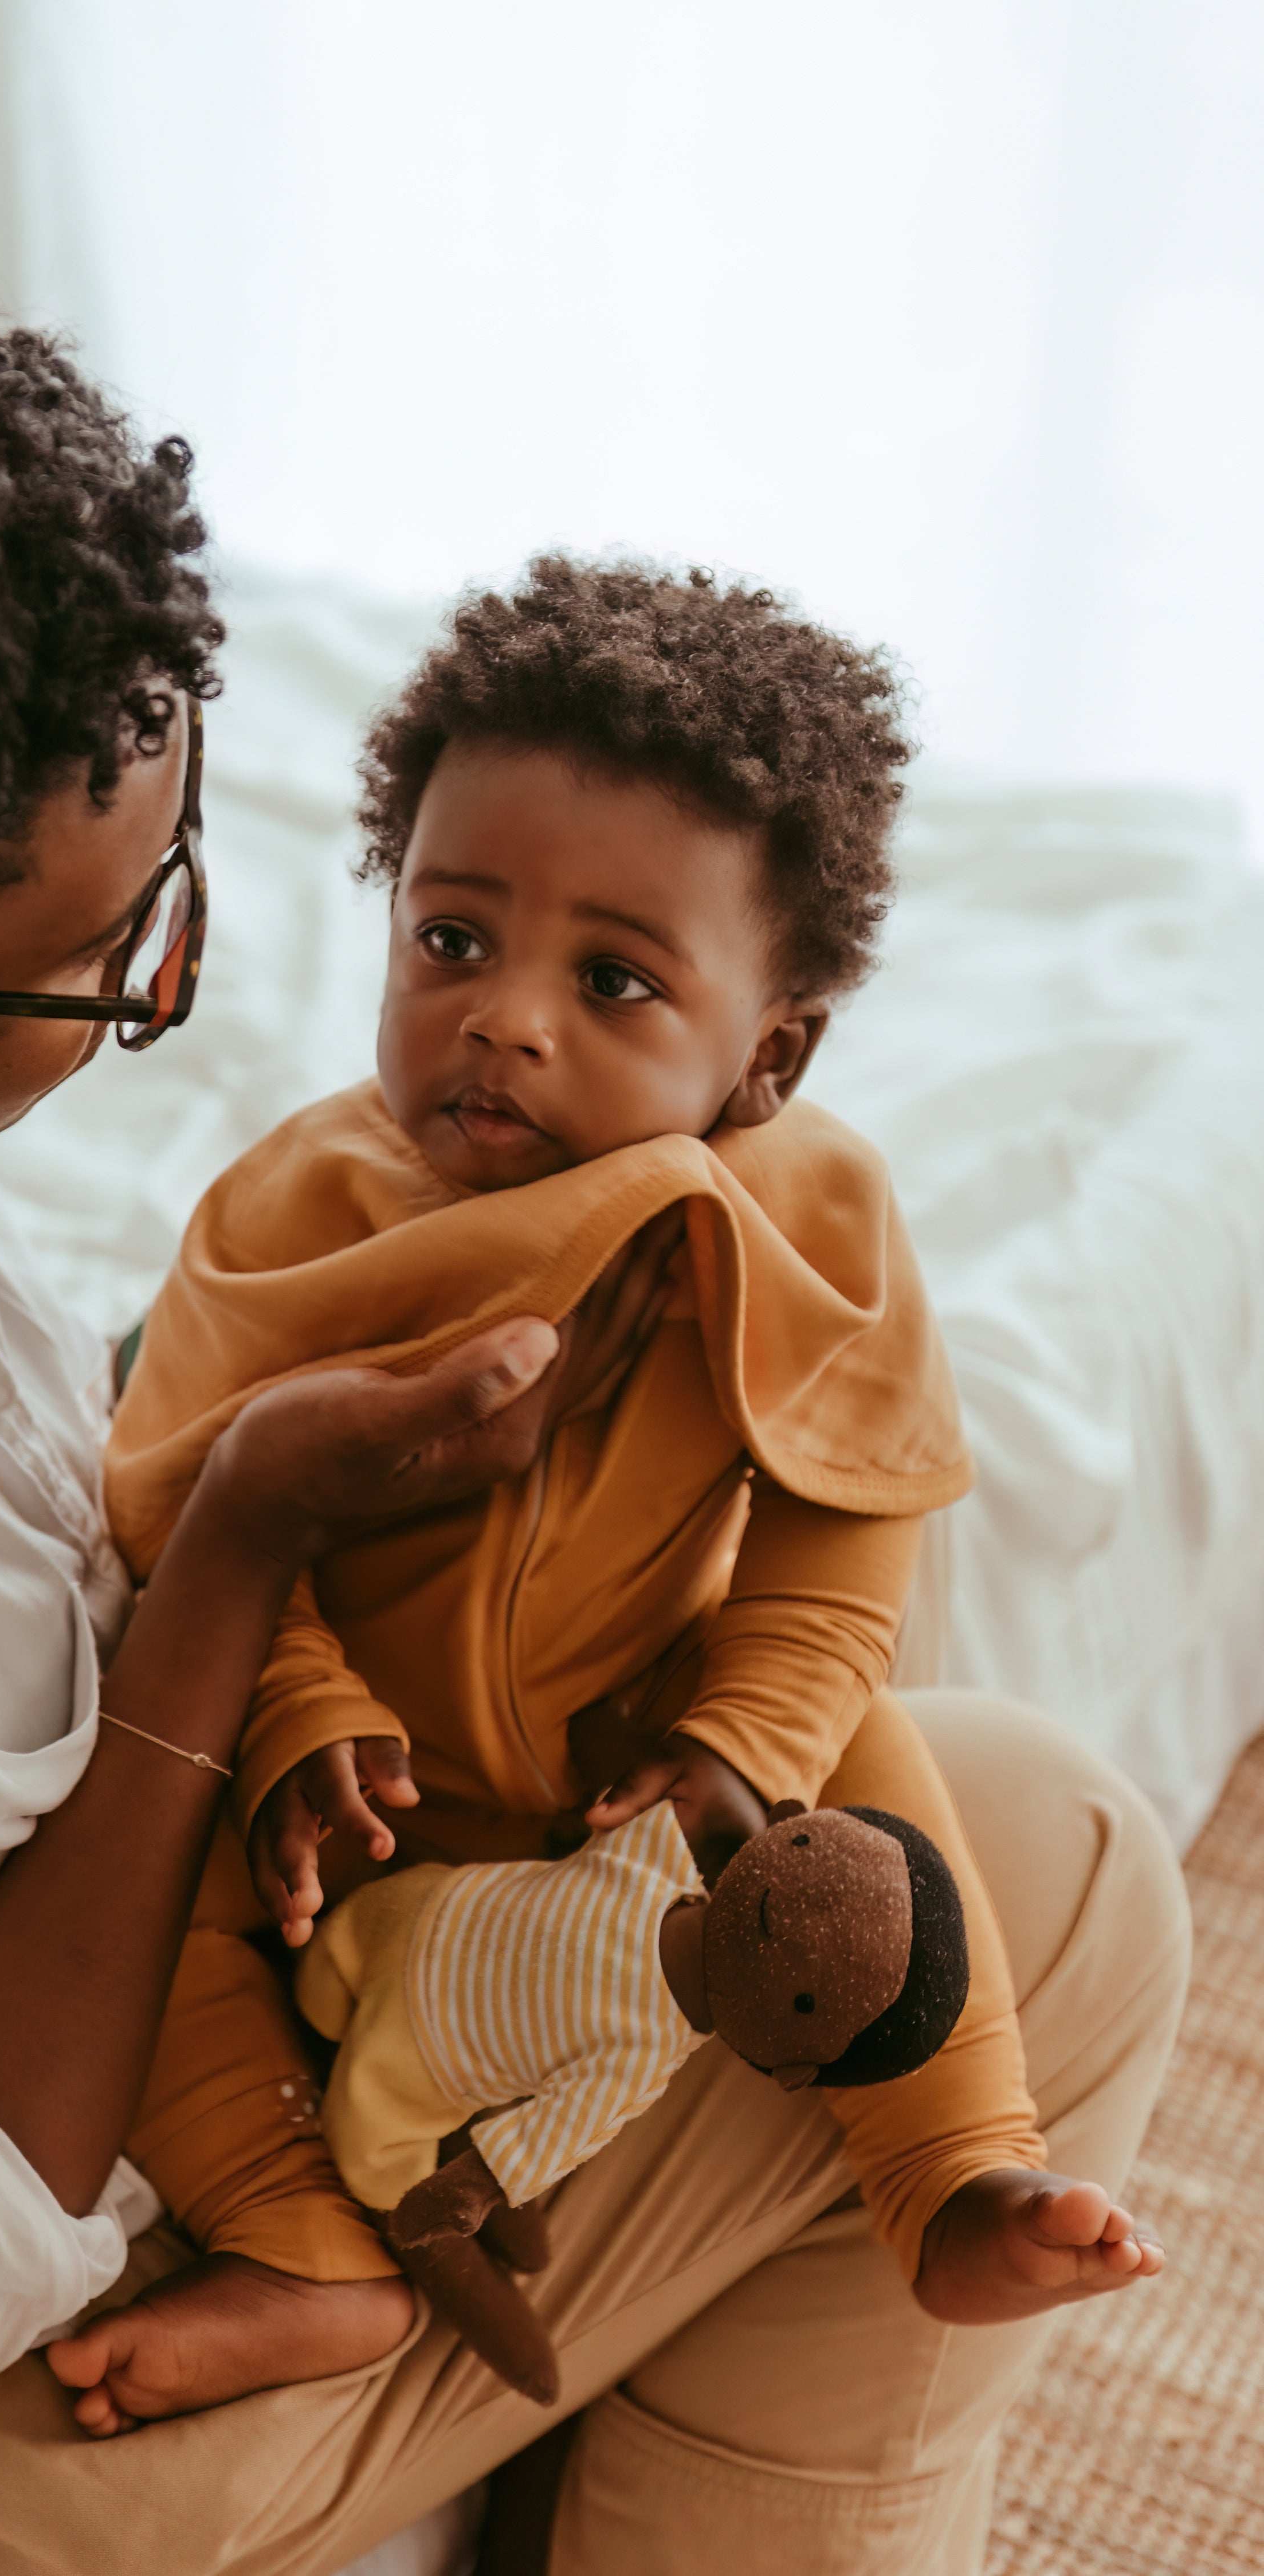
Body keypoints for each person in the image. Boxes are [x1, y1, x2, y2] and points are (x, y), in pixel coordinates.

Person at [0, 263, 1187, 2576]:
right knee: (1084, 1886)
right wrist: (243, 1574)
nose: (487, 1029)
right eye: (127, 960)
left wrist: (678, 1734)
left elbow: (838, 1531)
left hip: (192, 1985)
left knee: (948, 1799)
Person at [58, 563, 1147, 2434]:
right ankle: (295, 2238)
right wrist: (301, 1709)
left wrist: (746, 1739)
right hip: (342, 1779)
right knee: (115, 1840)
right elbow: (183, 1491)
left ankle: (956, 2165)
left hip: (634, 1742)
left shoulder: (808, 1223)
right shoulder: (299, 1211)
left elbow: (844, 1529)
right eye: (452, 942)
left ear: (771, 1055)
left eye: (615, 982)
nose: (504, 1023)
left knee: (879, 1785)